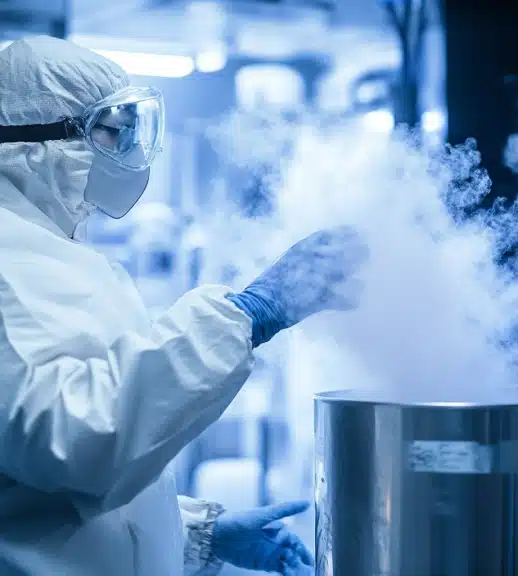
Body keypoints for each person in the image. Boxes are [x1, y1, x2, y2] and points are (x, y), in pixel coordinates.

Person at [0, 36, 367, 575]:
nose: (125, 151)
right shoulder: (9, 259)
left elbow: (40, 494)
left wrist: (195, 532)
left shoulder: (51, 248)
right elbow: (73, 439)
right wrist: (249, 312)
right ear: (37, 146)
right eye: (109, 132)